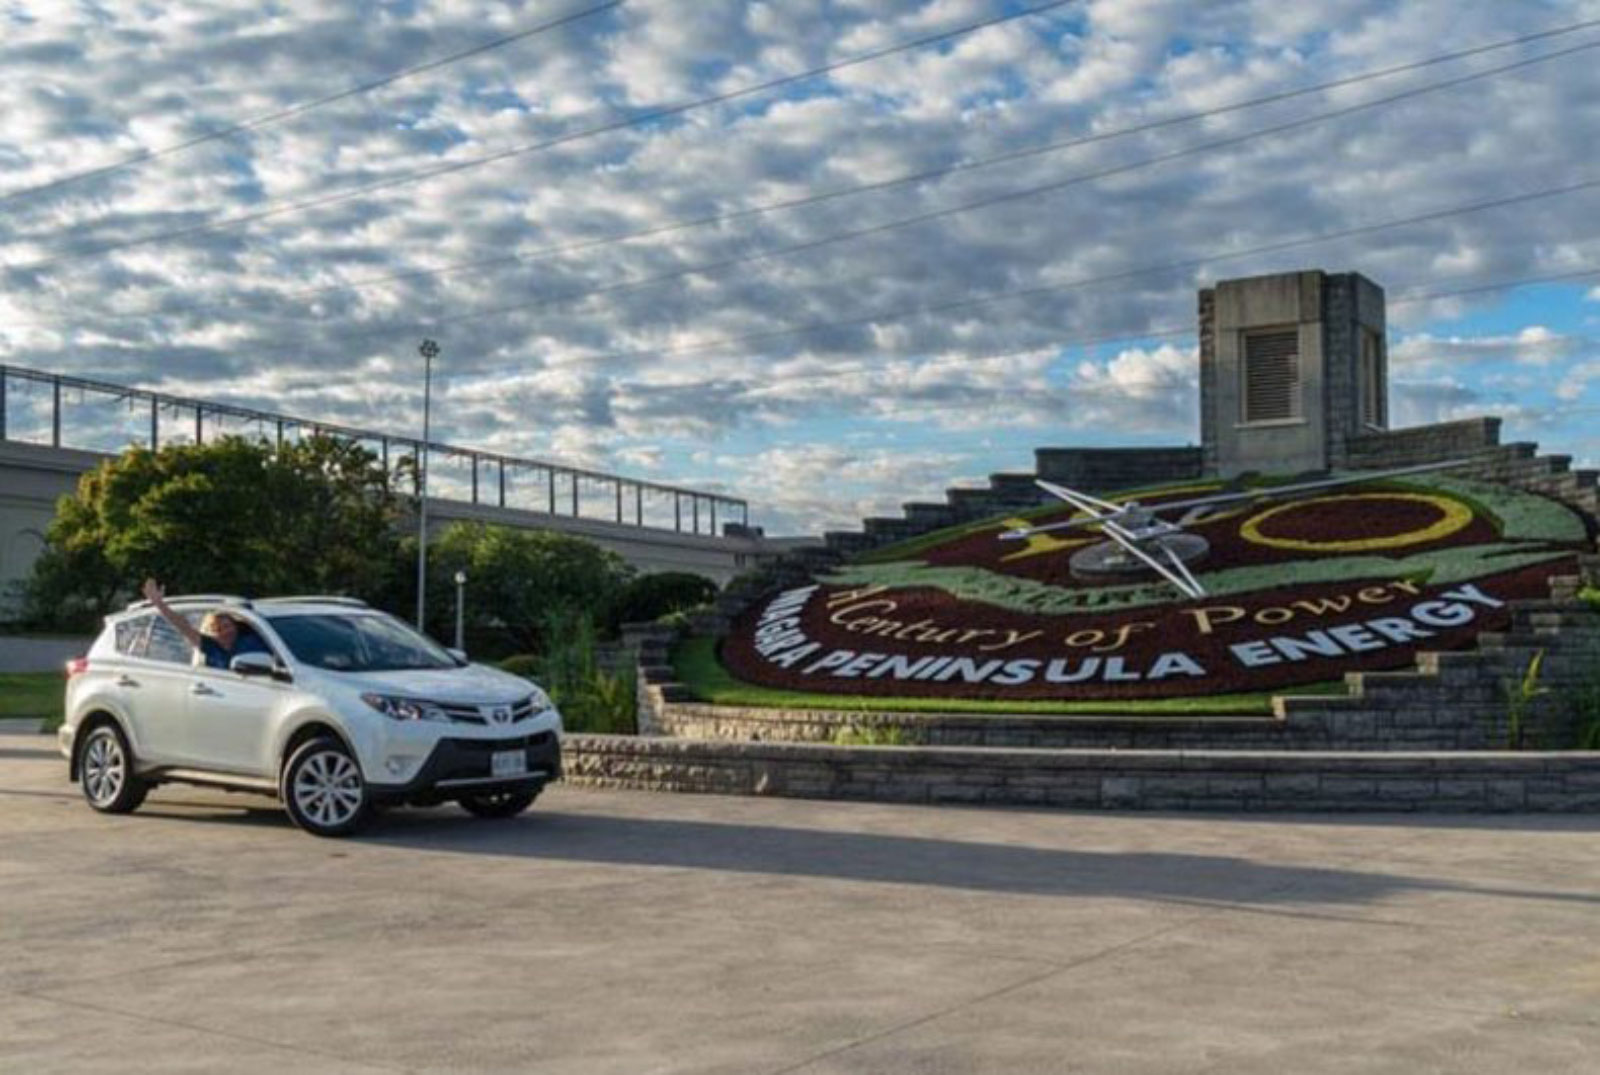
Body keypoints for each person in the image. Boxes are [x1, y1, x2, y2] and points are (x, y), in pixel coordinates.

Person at [141, 578, 273, 670]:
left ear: (235, 626)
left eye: (227, 626)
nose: (224, 632)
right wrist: (159, 604)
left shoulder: (253, 640)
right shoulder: (210, 647)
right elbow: (183, 627)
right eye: (217, 629)